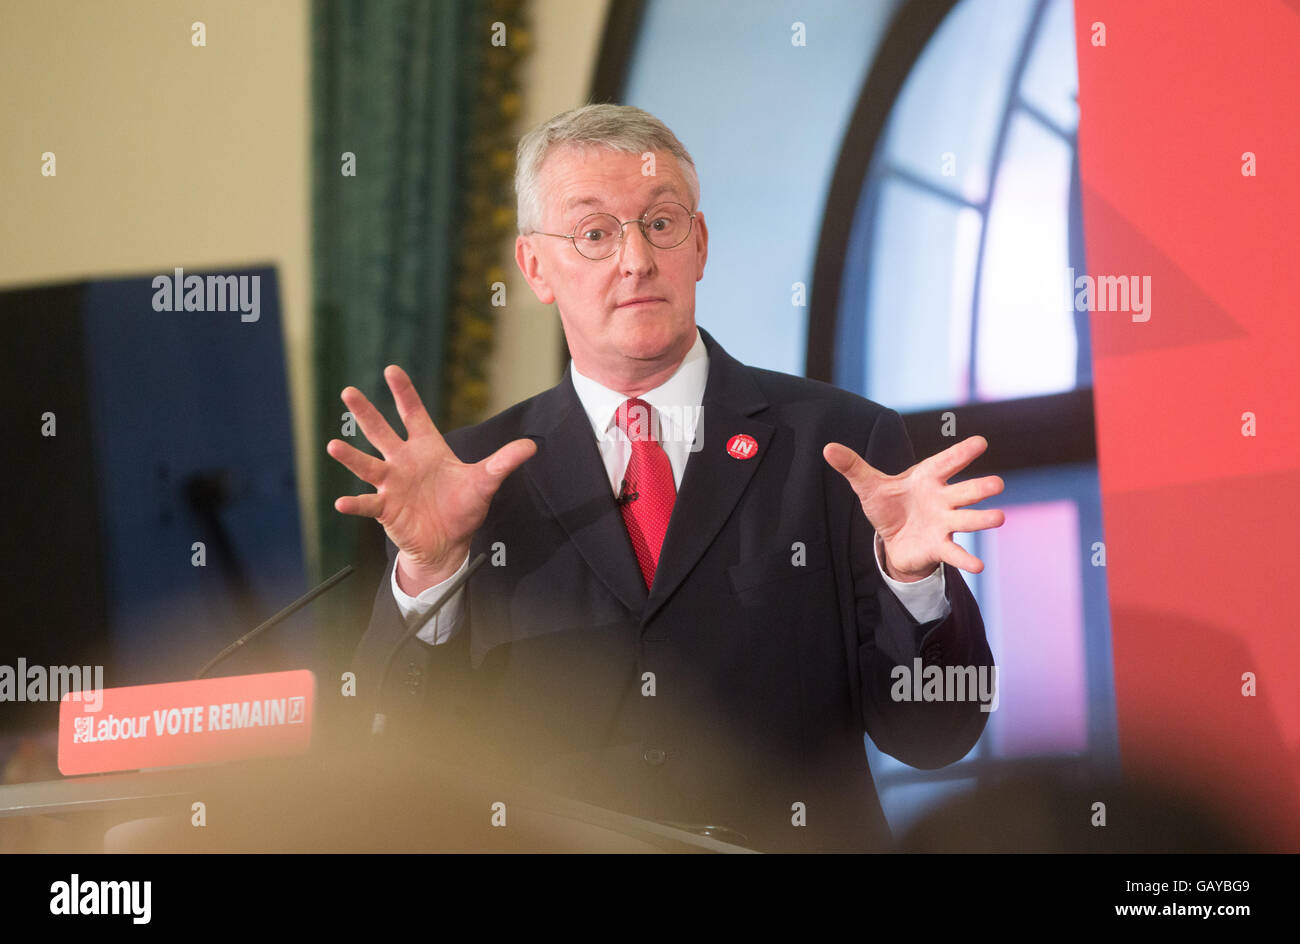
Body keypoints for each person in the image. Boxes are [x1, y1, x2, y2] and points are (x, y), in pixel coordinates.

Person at [329, 104, 1004, 852]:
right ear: (533, 267)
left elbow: (937, 736)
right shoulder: (473, 480)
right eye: (593, 233)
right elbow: (389, 751)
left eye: (661, 223)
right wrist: (429, 571)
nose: (636, 260)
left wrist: (914, 583)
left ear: (701, 243)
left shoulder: (841, 441)